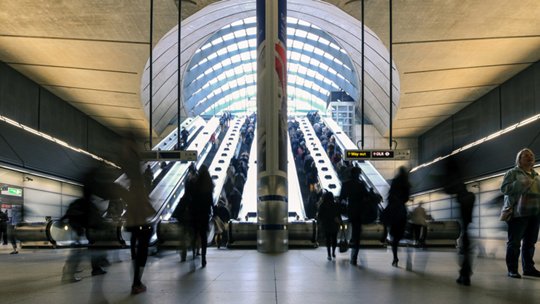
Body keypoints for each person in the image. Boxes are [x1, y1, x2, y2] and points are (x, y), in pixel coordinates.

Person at [500, 148, 540, 278]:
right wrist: (520, 183)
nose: (530, 157)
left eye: (531, 155)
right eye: (526, 156)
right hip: (518, 213)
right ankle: (512, 269)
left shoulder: (537, 176)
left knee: (530, 242)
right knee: (514, 243)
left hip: (535, 213)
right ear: (519, 160)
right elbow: (504, 189)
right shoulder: (512, 173)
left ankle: (528, 268)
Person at [338, 166, 368, 265]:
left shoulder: (346, 184)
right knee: (357, 234)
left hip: (351, 211)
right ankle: (354, 256)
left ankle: (353, 252)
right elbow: (366, 196)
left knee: (354, 231)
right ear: (358, 174)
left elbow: (341, 197)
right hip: (361, 212)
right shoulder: (361, 184)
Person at [189, 165, 214, 268]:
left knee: (195, 233)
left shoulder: (196, 184)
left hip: (195, 213)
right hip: (204, 214)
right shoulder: (209, 185)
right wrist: (213, 211)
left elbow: (191, 198)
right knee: (203, 236)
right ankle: (203, 258)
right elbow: (211, 202)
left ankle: (194, 252)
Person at [385, 166, 410, 267]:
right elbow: (406, 198)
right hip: (402, 211)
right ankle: (403, 243)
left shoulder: (395, 181)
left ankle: (395, 257)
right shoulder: (406, 183)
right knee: (400, 235)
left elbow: (390, 195)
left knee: (394, 237)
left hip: (394, 211)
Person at [317, 191, 341, 261]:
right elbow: (338, 214)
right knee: (334, 239)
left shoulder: (322, 205)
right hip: (334, 224)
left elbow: (319, 216)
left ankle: (329, 255)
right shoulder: (335, 204)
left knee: (328, 240)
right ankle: (333, 252)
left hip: (326, 224)